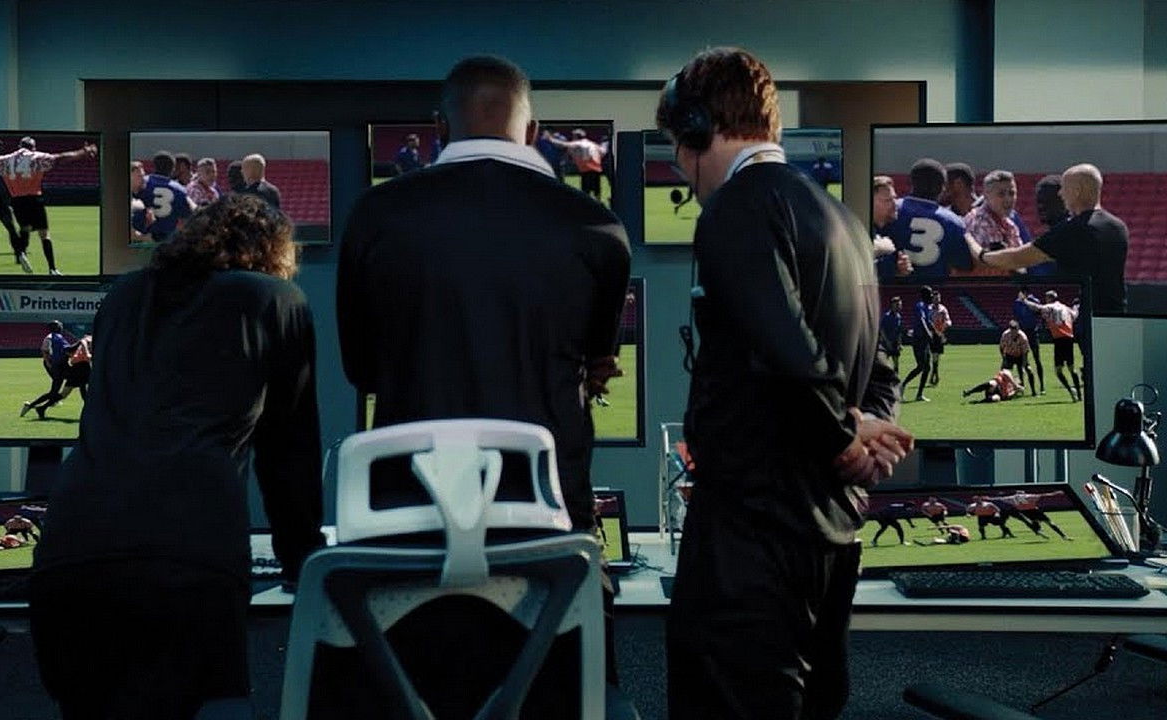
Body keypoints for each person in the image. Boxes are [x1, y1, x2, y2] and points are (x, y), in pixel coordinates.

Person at [337, 55, 630, 705]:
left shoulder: (376, 214)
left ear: (439, 127)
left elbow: (361, 369)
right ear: (534, 132)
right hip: (549, 524)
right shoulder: (595, 226)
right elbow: (595, 362)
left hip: (407, 523)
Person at [655, 47, 913, 720]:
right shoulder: (844, 220)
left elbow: (787, 354)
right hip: (831, 532)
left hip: (755, 534)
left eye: (677, 147)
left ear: (698, 126)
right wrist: (868, 439)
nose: (680, 168)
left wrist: (845, 437)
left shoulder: (737, 209)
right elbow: (882, 368)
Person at [30, 194, 323, 719]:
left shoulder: (123, 296)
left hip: (70, 549)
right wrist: (304, 563)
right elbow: (288, 452)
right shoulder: (274, 299)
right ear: (274, 252)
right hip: (187, 553)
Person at [977, 164, 1128, 314]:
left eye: (1064, 188)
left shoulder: (1073, 230)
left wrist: (982, 255)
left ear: (1077, 191)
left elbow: (1017, 259)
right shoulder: (1118, 227)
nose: (1061, 194)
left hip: (1083, 317)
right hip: (1116, 315)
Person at [0, 136, 97, 275]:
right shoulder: (36, 157)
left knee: (24, 228)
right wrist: (81, 153)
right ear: (33, 147)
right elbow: (60, 158)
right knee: (44, 234)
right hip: (34, 198)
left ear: (20, 146)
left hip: (17, 200)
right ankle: (52, 268)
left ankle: (21, 253)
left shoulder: (7, 159)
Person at [878, 159, 978, 279]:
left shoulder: (890, 210)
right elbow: (964, 264)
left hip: (891, 286)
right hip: (935, 287)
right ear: (942, 187)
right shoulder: (953, 222)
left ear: (911, 183)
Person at [960, 170, 1023, 277]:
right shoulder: (979, 221)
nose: (1008, 199)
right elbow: (997, 262)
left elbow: (1020, 263)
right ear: (986, 195)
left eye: (1012, 193)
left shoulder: (1010, 224)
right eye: (1001, 194)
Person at [1021, 290, 1081, 401]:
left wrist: (1025, 301)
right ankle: (1079, 395)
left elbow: (1037, 308)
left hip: (1059, 340)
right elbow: (1075, 315)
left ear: (1050, 298)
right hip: (1069, 339)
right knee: (1072, 368)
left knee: (1058, 371)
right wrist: (1076, 306)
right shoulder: (1065, 308)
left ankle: (1071, 390)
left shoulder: (1049, 307)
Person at [134, 154, 196, 243]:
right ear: (173, 169)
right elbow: (188, 215)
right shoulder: (179, 189)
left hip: (141, 237)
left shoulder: (141, 183)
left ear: (154, 166)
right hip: (167, 240)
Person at [20, 320, 71, 420]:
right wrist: (48, 363)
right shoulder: (50, 337)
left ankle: (41, 404)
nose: (61, 327)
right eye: (59, 326)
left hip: (59, 364)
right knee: (56, 390)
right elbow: (45, 351)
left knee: (56, 390)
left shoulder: (56, 337)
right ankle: (32, 405)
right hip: (56, 365)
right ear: (55, 327)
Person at [545, 128, 608, 202]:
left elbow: (564, 145)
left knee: (585, 192)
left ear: (577, 137)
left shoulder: (579, 143)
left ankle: (587, 205)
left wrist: (550, 139)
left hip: (586, 169)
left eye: (574, 136)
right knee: (596, 191)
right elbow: (603, 152)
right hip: (596, 169)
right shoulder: (592, 144)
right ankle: (599, 204)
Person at [899, 285, 935, 402]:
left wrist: (935, 331)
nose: (932, 296)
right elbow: (922, 320)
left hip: (924, 341)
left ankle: (919, 394)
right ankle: (902, 385)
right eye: (930, 294)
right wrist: (928, 333)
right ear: (924, 295)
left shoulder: (928, 307)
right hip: (918, 340)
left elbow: (928, 321)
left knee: (927, 367)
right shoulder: (920, 305)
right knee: (921, 366)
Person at [989, 490, 1071, 540]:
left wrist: (988, 498)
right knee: (1049, 522)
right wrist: (1055, 493)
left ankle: (1038, 531)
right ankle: (1063, 536)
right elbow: (1043, 495)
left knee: (1034, 521)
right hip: (1034, 510)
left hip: (1025, 512)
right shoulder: (1028, 496)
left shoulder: (1012, 498)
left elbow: (999, 499)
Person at [1013, 288, 1046, 394]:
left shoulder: (1034, 301)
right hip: (1022, 333)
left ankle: (1042, 386)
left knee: (1037, 359)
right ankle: (1022, 385)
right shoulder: (1017, 303)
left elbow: (1039, 312)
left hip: (1032, 332)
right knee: (1021, 360)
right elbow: (1016, 317)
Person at [998, 320, 1037, 395]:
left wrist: (1024, 364)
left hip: (1020, 355)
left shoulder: (1023, 337)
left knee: (1029, 370)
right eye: (1012, 331)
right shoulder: (1005, 335)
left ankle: (1033, 391)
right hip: (1009, 355)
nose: (1014, 333)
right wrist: (1004, 358)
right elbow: (1001, 347)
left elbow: (1025, 351)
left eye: (1015, 331)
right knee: (1003, 372)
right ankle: (1003, 390)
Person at [928, 290, 951, 386]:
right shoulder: (929, 309)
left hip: (939, 334)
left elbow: (948, 320)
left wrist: (946, 325)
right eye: (935, 298)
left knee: (936, 355)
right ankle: (934, 373)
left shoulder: (943, 309)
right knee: (930, 356)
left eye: (938, 298)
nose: (937, 300)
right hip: (930, 334)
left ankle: (934, 373)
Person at [880, 295, 904, 372]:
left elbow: (899, 331)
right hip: (885, 344)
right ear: (893, 305)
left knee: (896, 364)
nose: (900, 306)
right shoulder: (886, 316)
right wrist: (887, 342)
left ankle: (895, 376)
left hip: (895, 343)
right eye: (898, 305)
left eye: (900, 304)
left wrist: (899, 343)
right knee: (884, 364)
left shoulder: (899, 317)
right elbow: (882, 330)